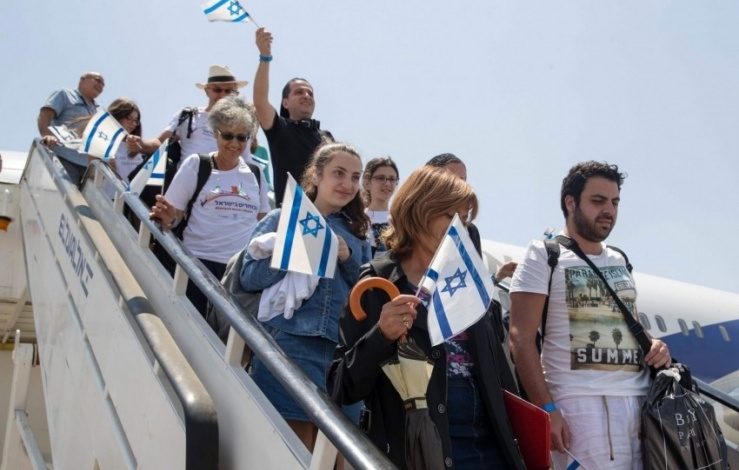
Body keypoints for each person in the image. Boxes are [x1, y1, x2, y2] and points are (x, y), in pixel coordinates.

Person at [328, 166, 525, 470]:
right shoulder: (378, 282)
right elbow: (341, 386)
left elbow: (502, 377)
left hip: (492, 455)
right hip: (420, 455)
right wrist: (381, 335)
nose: (459, 229)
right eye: (451, 216)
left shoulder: (471, 282)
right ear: (420, 210)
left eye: (464, 220)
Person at [508, 161, 672, 469]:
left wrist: (655, 345)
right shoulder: (544, 255)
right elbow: (521, 338)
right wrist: (547, 409)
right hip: (579, 410)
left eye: (615, 202)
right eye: (598, 201)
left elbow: (629, 325)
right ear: (571, 202)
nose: (609, 210)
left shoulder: (620, 259)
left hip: (640, 408)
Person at [240, 142, 371, 451]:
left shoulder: (359, 235)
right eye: (339, 173)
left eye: (355, 177)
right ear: (316, 174)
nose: (348, 184)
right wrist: (290, 253)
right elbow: (248, 277)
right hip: (289, 346)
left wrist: (346, 256)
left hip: (342, 357)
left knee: (341, 454)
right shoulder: (279, 219)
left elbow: (368, 293)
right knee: (291, 451)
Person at [150, 96, 269, 316]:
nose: (235, 143)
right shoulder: (197, 164)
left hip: (238, 273)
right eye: (228, 135)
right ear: (215, 133)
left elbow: (263, 223)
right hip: (196, 265)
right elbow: (175, 216)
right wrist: (169, 218)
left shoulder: (256, 174)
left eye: (242, 137)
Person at [253, 27, 332, 206]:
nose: (306, 96)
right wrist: (265, 57)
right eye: (299, 92)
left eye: (310, 93)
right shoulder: (279, 129)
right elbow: (260, 100)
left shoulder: (326, 137)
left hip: (324, 215)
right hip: (290, 214)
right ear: (285, 102)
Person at [156, 65, 252, 165]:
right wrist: (144, 145)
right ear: (207, 91)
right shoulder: (187, 116)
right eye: (217, 90)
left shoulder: (241, 123)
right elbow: (160, 142)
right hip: (187, 174)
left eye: (228, 91)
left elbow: (246, 160)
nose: (222, 95)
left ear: (235, 94)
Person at [37, 71, 105, 183]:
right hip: (64, 158)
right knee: (67, 191)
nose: (101, 85)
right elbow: (45, 114)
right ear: (82, 80)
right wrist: (47, 135)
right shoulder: (65, 95)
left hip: (88, 166)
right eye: (97, 80)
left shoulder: (97, 111)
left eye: (103, 85)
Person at [362, 156, 399, 257]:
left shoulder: (401, 220)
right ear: (367, 183)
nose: (387, 183)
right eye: (381, 178)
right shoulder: (358, 220)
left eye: (392, 179)